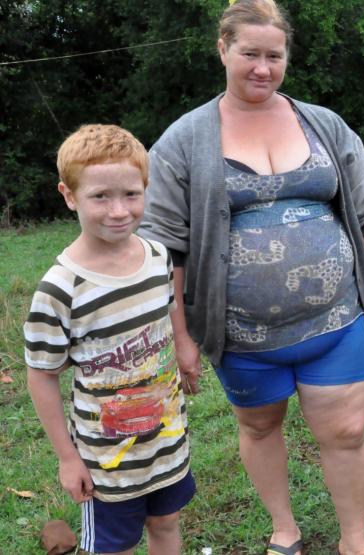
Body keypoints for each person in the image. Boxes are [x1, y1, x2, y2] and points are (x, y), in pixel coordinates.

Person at [138, 1, 364, 554]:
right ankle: (284, 527)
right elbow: (165, 245)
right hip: (240, 335)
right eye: (249, 54)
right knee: (261, 428)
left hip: (334, 321)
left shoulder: (325, 125)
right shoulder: (183, 140)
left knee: (346, 433)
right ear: (222, 50)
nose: (262, 68)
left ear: (287, 55)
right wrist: (182, 333)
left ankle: (354, 540)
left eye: (274, 55)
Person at [24, 124, 198, 555]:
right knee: (113, 545)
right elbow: (42, 376)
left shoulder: (158, 256)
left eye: (131, 195)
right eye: (100, 197)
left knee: (167, 521)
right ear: (69, 195)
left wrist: (183, 346)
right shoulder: (60, 289)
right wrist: (68, 458)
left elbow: (169, 312)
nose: (119, 211)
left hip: (166, 438)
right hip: (107, 461)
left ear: (146, 189)